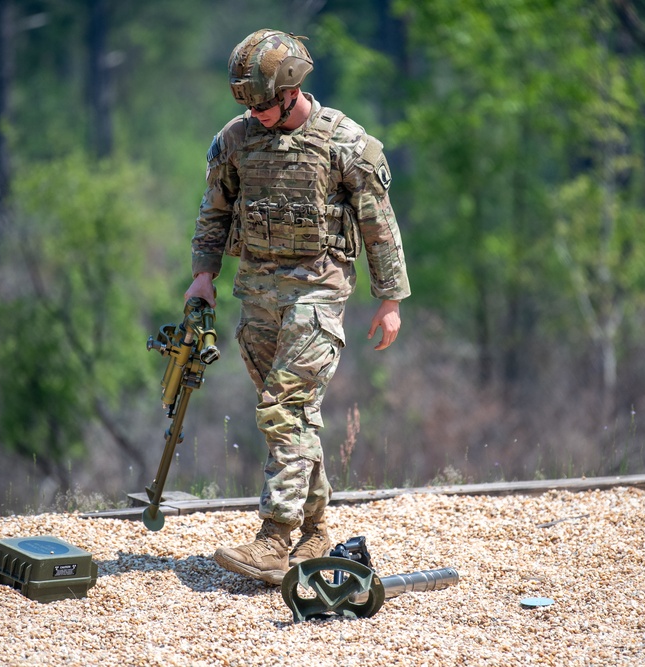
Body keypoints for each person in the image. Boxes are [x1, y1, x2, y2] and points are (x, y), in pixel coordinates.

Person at [185, 29, 410, 586]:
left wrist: (389, 300)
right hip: (258, 295)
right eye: (248, 104)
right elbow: (215, 210)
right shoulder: (235, 140)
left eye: (264, 103)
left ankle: (274, 538)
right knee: (292, 417)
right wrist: (203, 276)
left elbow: (378, 225)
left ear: (292, 89)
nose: (257, 114)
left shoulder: (345, 142)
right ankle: (315, 533)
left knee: (283, 407)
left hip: (318, 294)